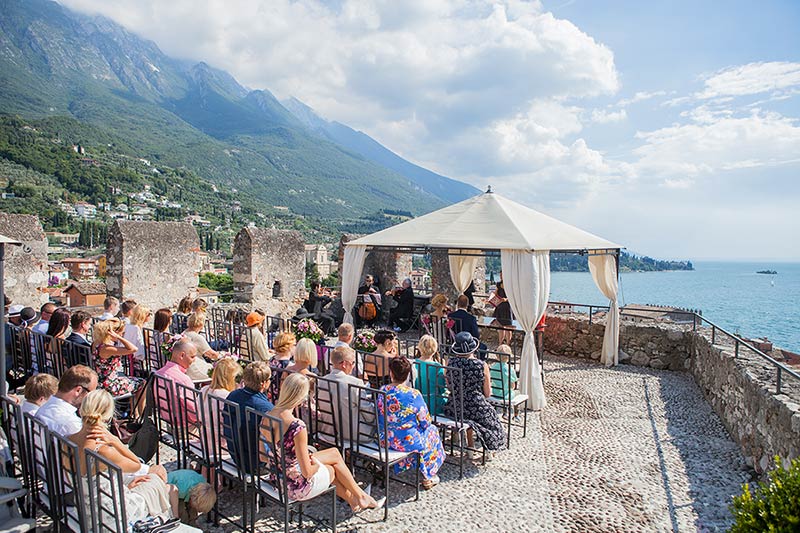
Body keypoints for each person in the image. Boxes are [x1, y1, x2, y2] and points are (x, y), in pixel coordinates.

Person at [263, 373, 384, 511]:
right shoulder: (297, 426)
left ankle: (357, 499)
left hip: (276, 477)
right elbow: (308, 473)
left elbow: (262, 456)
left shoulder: (266, 416)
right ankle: (359, 498)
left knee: (334, 453)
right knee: (332, 469)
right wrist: (315, 465)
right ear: (302, 396)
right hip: (293, 486)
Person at [69, 389, 178, 521]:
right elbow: (137, 465)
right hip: (112, 513)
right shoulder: (103, 450)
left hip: (84, 506)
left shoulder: (67, 440)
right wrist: (116, 441)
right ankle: (169, 521)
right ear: (108, 416)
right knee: (155, 480)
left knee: (151, 482)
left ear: (81, 410)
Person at [378, 357, 445, 490]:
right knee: (432, 431)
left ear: (391, 373)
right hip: (407, 441)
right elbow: (425, 421)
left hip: (385, 438)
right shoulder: (414, 394)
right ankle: (429, 475)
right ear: (408, 374)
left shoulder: (383, 390)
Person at [444, 332, 505, 455]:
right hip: (475, 405)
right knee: (492, 421)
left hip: (454, 407)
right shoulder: (482, 365)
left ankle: (470, 446)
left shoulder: (450, 363)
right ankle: (488, 449)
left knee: (473, 417)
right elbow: (487, 393)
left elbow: (449, 386)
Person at [225, 361, 273, 474]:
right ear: (264, 383)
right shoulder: (266, 408)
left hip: (236, 455)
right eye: (269, 379)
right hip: (258, 464)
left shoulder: (233, 395)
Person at [319, 346, 372, 445]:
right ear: (344, 364)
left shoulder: (320, 381)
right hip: (354, 435)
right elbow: (368, 413)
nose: (353, 366)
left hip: (328, 432)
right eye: (353, 363)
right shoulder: (355, 383)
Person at [36, 365, 98, 436]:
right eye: (91, 393)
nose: (92, 398)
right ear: (78, 390)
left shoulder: (44, 407)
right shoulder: (73, 424)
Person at [93, 319, 145, 399]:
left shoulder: (97, 343)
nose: (123, 334)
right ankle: (137, 411)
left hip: (101, 381)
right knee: (142, 383)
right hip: (109, 385)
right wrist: (119, 338)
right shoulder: (107, 348)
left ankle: (134, 410)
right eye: (122, 333)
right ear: (114, 333)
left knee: (132, 381)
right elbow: (134, 349)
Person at [154, 339, 199, 425]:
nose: (194, 360)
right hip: (185, 427)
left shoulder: (158, 373)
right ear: (182, 355)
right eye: (192, 357)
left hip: (167, 421)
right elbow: (194, 413)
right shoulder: (183, 380)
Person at [200, 357, 242, 441]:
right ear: (230, 378)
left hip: (205, 439)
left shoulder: (204, 390)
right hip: (222, 443)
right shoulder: (227, 396)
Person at [414, 335, 446, 416]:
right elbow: (442, 389)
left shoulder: (413, 363)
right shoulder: (437, 366)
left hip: (416, 401)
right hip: (433, 404)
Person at [181, 311, 216, 380]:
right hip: (195, 368)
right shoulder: (197, 337)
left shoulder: (184, 332)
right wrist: (224, 355)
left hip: (186, 367)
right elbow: (212, 355)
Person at [268, 331, 295, 402]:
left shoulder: (272, 359)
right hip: (280, 399)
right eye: (294, 345)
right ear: (289, 347)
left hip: (270, 396)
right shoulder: (288, 365)